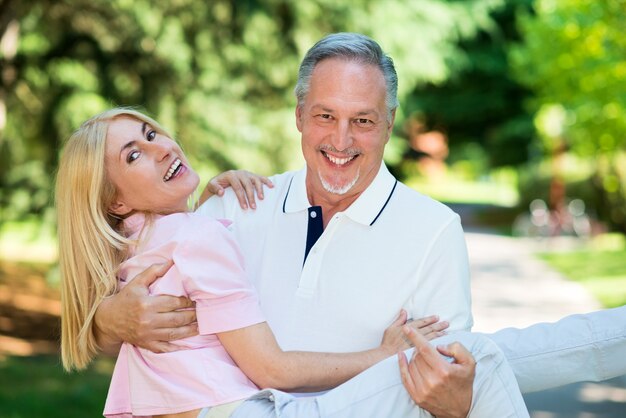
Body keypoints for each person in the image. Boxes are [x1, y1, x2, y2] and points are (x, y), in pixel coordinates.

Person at [92, 32, 626, 417]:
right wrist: (107, 320)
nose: (341, 140)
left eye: (363, 120)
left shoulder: (433, 230)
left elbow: (446, 384)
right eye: (325, 116)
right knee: (480, 354)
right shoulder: (235, 206)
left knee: (470, 357)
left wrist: (456, 403)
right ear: (299, 116)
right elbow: (128, 306)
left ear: (390, 123)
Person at [56, 108, 529, 417]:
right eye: (134, 155)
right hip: (241, 411)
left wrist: (202, 201)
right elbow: (274, 371)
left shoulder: (138, 248)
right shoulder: (194, 235)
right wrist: (385, 355)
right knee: (476, 359)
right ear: (115, 200)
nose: (160, 147)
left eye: (150, 132)